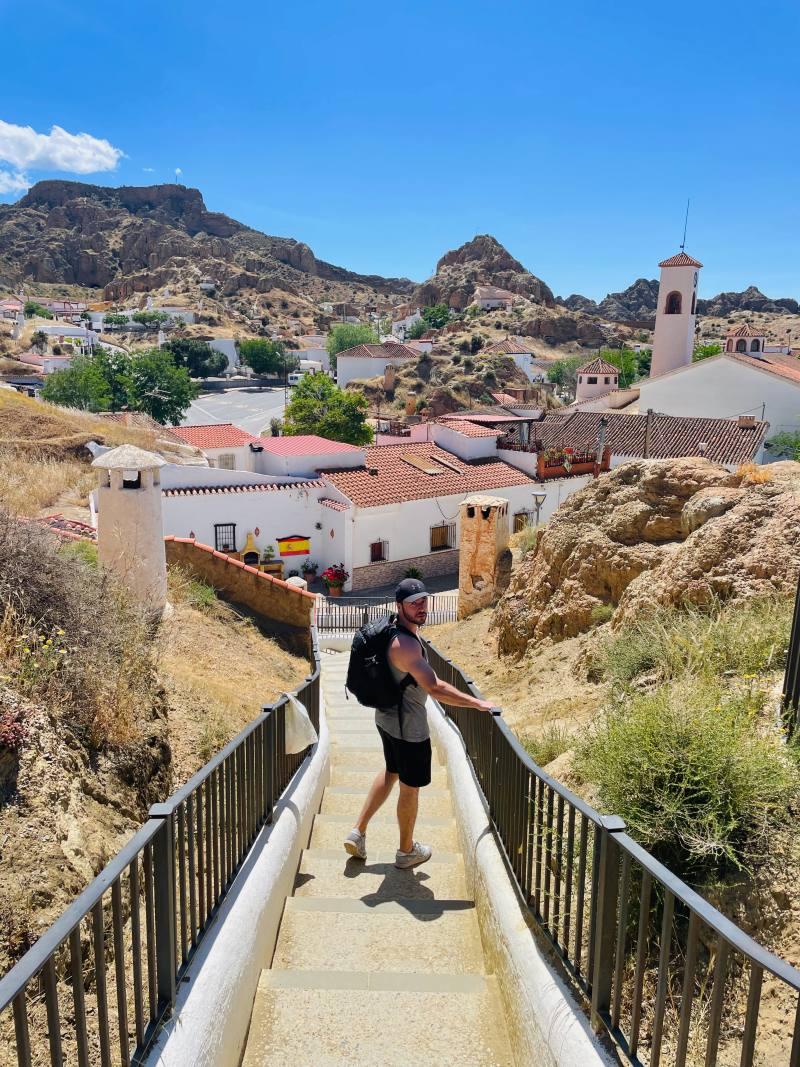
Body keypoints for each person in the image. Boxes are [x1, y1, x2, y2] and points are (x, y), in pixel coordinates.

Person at [343, 577, 495, 869]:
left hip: (385, 717)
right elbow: (435, 687)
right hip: (408, 729)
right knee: (409, 788)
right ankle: (406, 851)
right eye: (414, 603)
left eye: (424, 601)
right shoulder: (406, 646)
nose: (421, 607)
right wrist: (476, 703)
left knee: (390, 772)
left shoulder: (391, 629)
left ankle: (357, 831)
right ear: (399, 606)